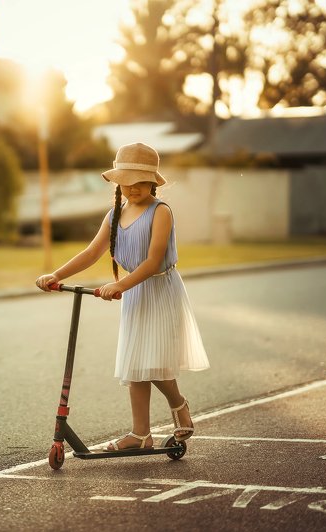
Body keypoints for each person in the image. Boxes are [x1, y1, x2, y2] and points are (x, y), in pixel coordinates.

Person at [35, 142, 210, 451]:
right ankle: (141, 434)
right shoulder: (115, 214)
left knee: (153, 360)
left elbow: (153, 261)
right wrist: (57, 275)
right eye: (125, 182)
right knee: (135, 364)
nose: (132, 189)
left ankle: (179, 406)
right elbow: (92, 252)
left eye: (139, 182)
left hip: (159, 289)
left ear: (153, 181)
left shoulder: (161, 212)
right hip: (134, 293)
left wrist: (120, 286)